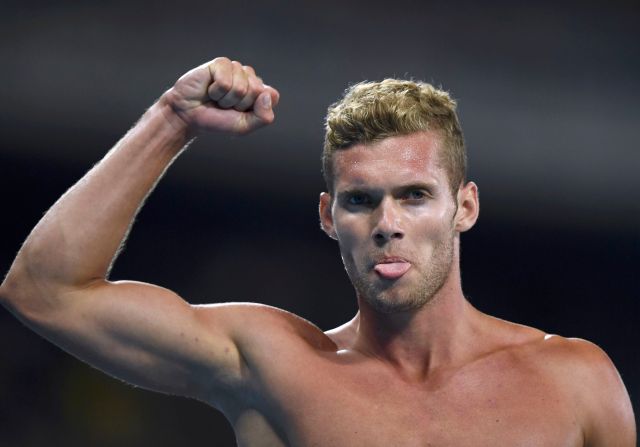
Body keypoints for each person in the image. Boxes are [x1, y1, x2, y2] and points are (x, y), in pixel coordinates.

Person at [0, 57, 635, 446]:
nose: (387, 223)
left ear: (463, 207)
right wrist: (172, 120)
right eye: (361, 201)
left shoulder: (574, 383)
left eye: (414, 196)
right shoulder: (272, 366)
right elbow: (44, 291)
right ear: (330, 217)